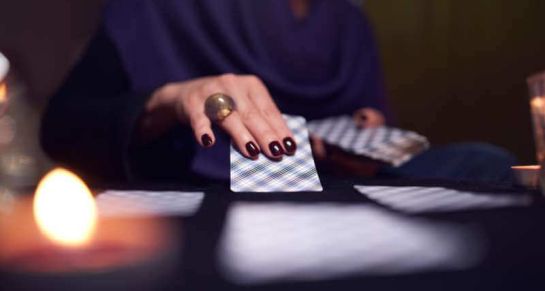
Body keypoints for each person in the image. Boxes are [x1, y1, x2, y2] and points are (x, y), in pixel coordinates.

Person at [40, 0, 515, 184]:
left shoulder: (348, 21)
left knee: (485, 163)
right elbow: (63, 129)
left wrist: (365, 136)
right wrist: (173, 98)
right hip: (205, 185)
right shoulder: (165, 8)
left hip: (341, 187)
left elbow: (370, 120)